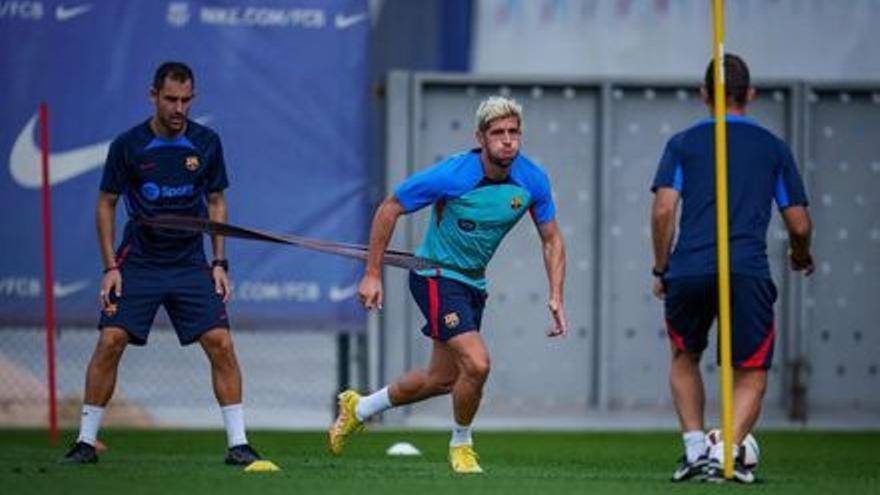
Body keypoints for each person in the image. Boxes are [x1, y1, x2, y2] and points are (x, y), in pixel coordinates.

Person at [328, 96, 568, 473]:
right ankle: (461, 445)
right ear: (481, 137)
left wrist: (555, 294)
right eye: (498, 133)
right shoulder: (454, 175)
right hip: (435, 278)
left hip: (472, 284)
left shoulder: (532, 179)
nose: (507, 140)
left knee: (442, 380)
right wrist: (372, 273)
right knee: (478, 362)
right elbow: (390, 207)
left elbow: (552, 239)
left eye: (514, 132)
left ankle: (359, 407)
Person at [60, 62, 261, 466]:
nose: (178, 108)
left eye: (186, 100)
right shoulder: (128, 145)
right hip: (140, 262)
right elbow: (106, 203)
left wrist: (220, 262)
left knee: (221, 343)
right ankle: (85, 442)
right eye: (171, 99)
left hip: (190, 262)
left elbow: (217, 200)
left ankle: (238, 445)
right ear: (153, 95)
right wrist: (110, 267)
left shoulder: (207, 143)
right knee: (110, 341)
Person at [650, 54, 814, 483]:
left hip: (688, 268)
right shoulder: (774, 148)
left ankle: (694, 450)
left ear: (705, 94)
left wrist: (661, 267)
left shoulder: (682, 143)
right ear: (752, 94)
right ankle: (727, 452)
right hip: (746, 269)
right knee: (751, 371)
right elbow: (799, 223)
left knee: (685, 356)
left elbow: (664, 210)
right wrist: (801, 254)